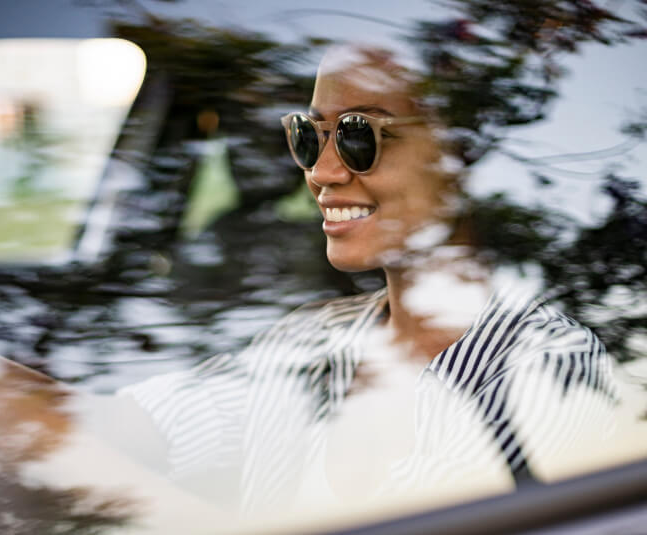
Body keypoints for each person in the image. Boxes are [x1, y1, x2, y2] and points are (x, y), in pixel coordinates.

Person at [115, 44, 618, 514]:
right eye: (308, 137)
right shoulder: (308, 340)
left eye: (360, 135)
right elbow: (115, 433)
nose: (322, 172)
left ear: (458, 152)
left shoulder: (546, 367)